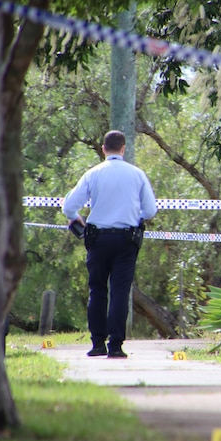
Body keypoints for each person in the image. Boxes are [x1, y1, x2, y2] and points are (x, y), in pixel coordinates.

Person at [62, 130, 157, 358]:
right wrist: (134, 214)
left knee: (97, 290)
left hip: (98, 239)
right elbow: (151, 210)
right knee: (120, 291)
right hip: (126, 239)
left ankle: (97, 344)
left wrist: (78, 220)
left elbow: (68, 207)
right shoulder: (137, 174)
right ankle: (116, 345)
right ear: (123, 149)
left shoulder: (93, 174)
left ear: (104, 149)